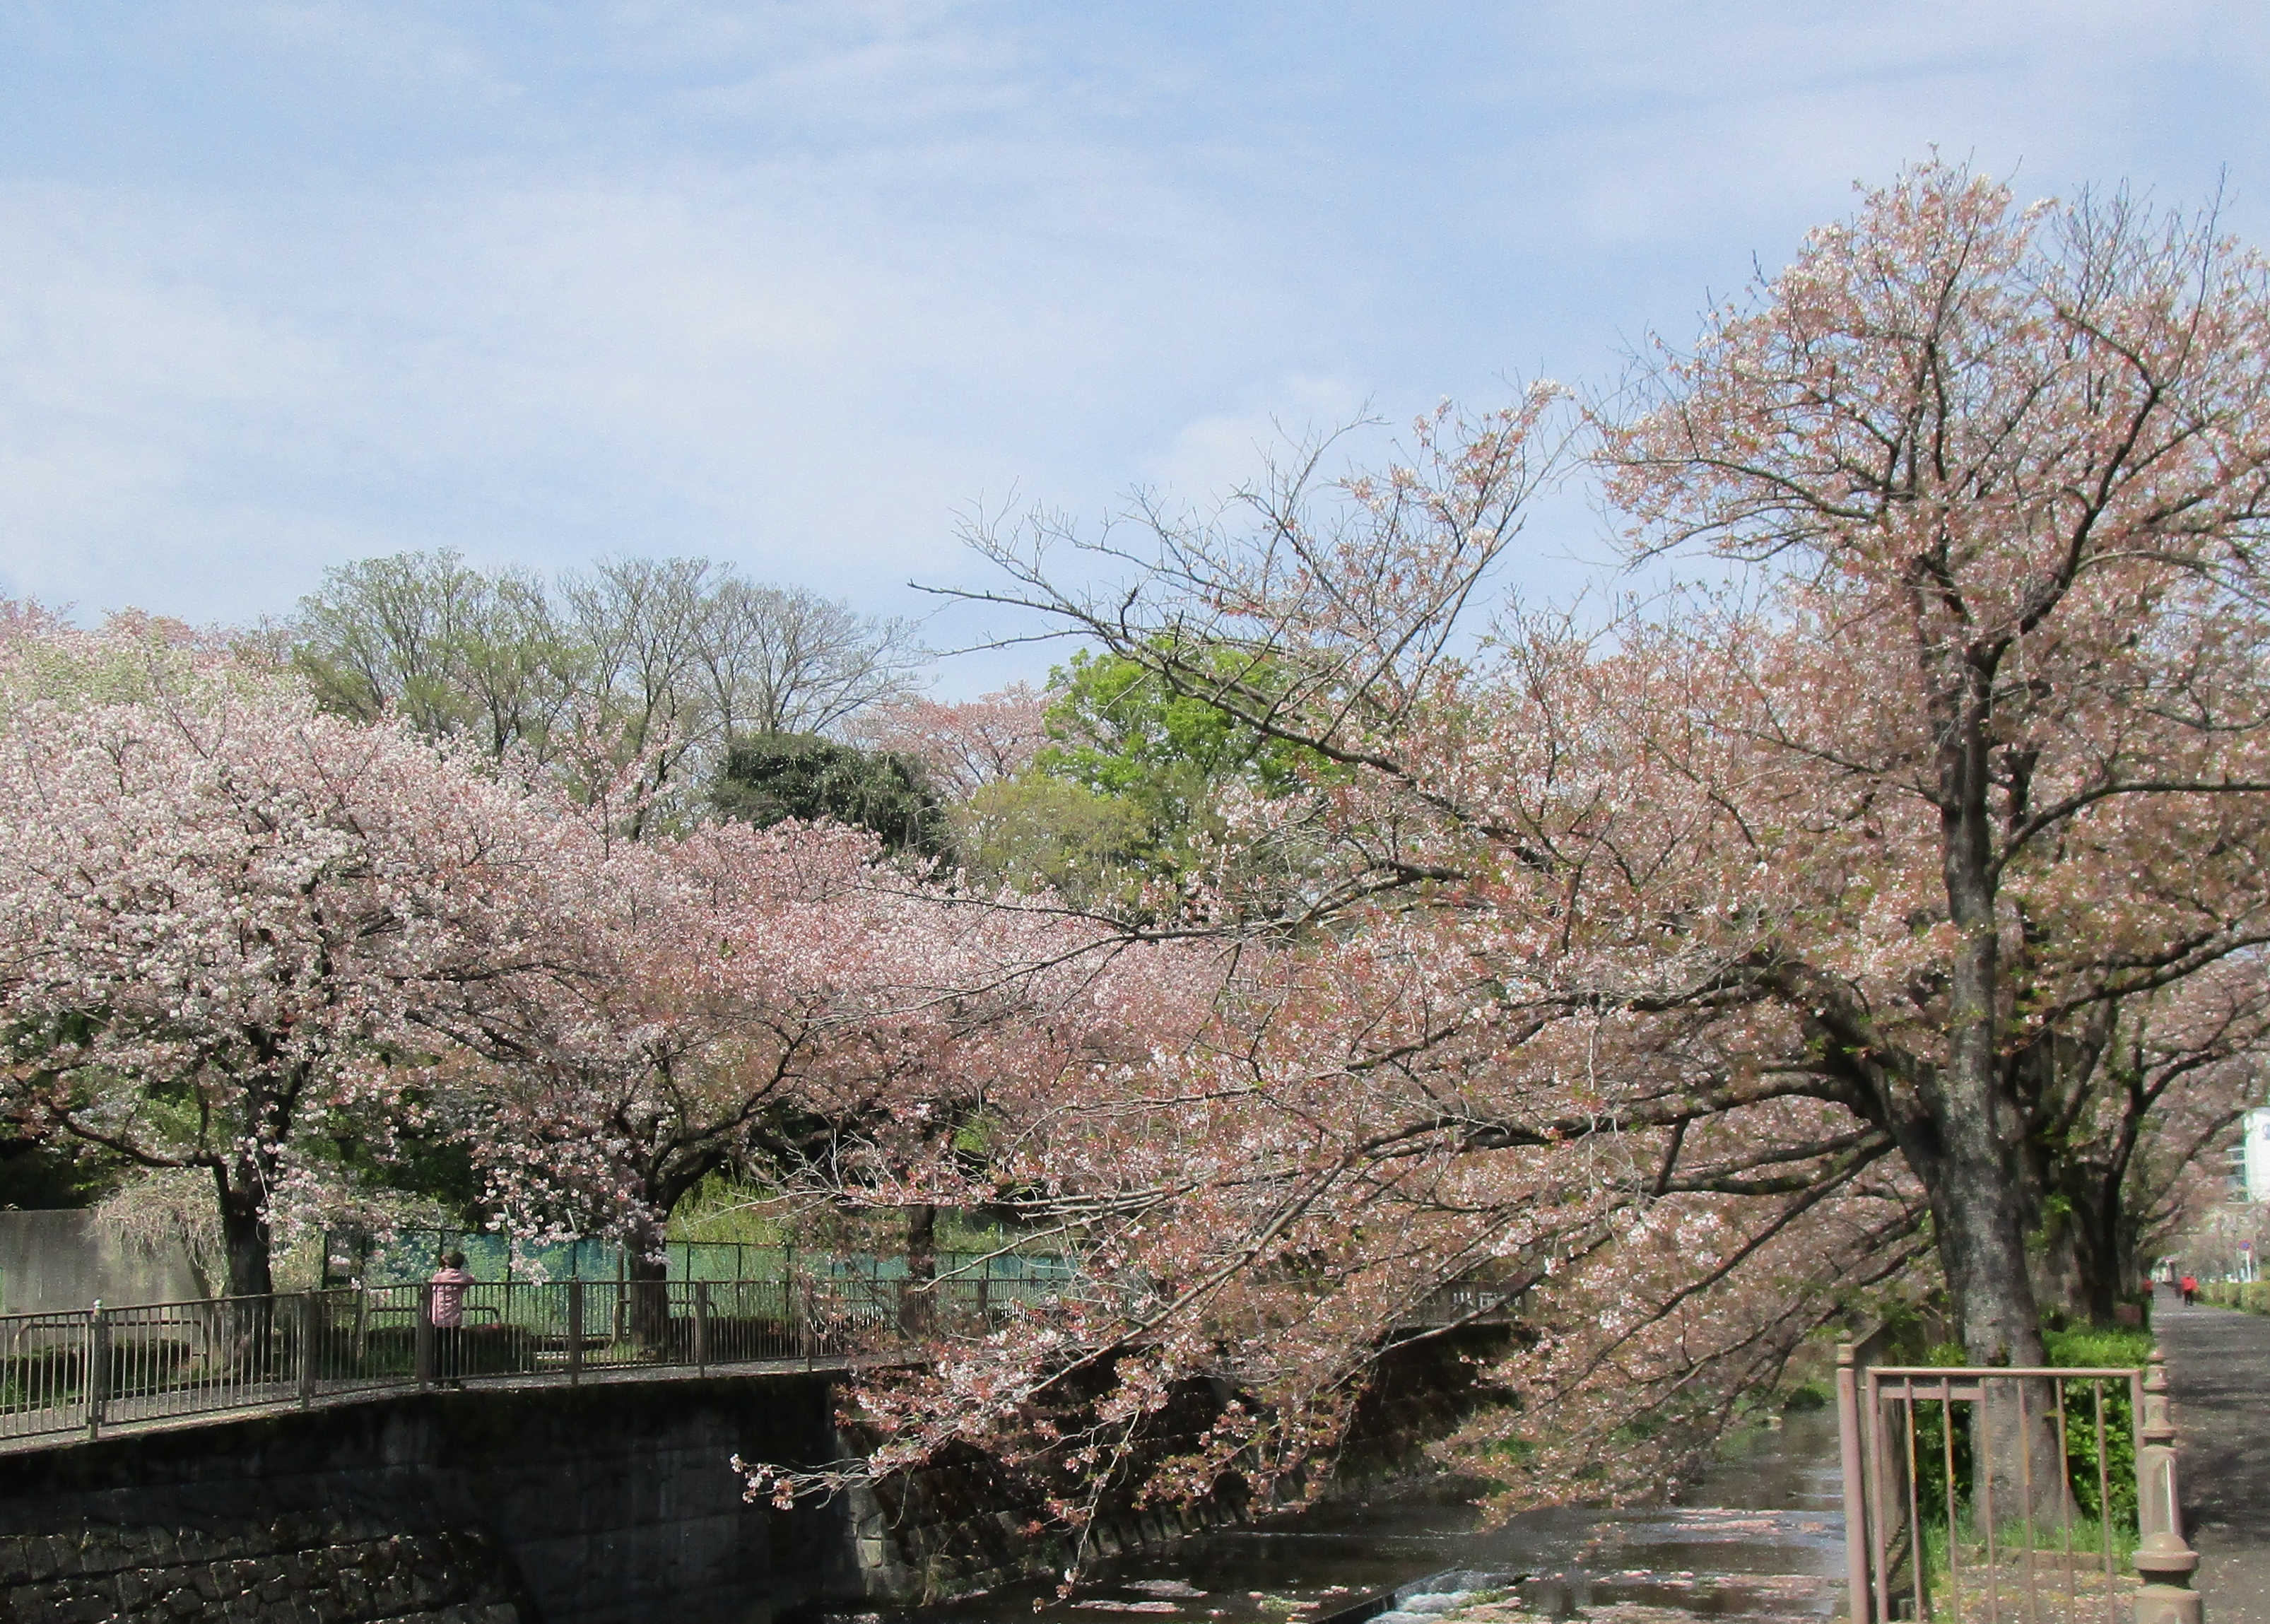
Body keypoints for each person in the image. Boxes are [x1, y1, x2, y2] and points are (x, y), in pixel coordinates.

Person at [428, 1250, 474, 1382]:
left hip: (438, 1317)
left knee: (438, 1349)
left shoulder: (439, 1277)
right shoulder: (462, 1277)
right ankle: (454, 1379)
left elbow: (432, 1285)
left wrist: (442, 1269)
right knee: (453, 1350)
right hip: (454, 1318)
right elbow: (472, 1279)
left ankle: (438, 1379)